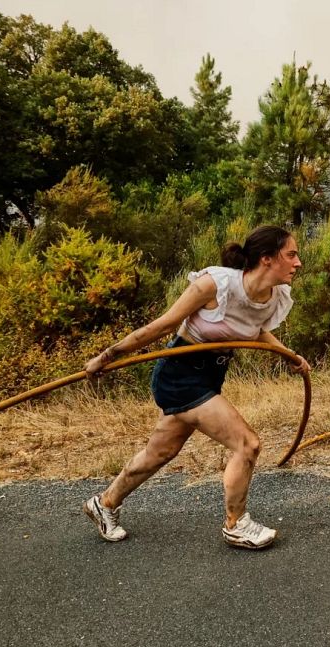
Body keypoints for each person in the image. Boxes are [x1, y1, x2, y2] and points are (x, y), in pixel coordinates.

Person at [81, 225, 310, 550]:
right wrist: (106, 356)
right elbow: (162, 324)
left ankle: (103, 504)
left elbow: (255, 330)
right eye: (291, 254)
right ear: (267, 259)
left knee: (158, 453)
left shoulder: (272, 297)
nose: (298, 262)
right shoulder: (215, 284)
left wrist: (290, 357)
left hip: (210, 377)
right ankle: (236, 524)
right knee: (248, 444)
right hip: (179, 375)